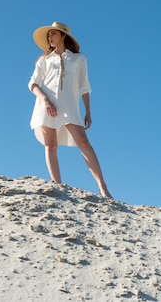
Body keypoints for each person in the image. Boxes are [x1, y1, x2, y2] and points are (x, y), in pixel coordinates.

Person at [28, 22, 112, 198]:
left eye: (53, 34)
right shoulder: (44, 60)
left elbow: (84, 87)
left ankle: (103, 188)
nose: (49, 38)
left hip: (69, 106)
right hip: (46, 105)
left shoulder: (78, 59)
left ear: (63, 36)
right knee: (50, 145)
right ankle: (57, 185)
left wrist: (88, 112)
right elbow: (33, 83)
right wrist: (45, 101)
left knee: (84, 142)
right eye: (48, 35)